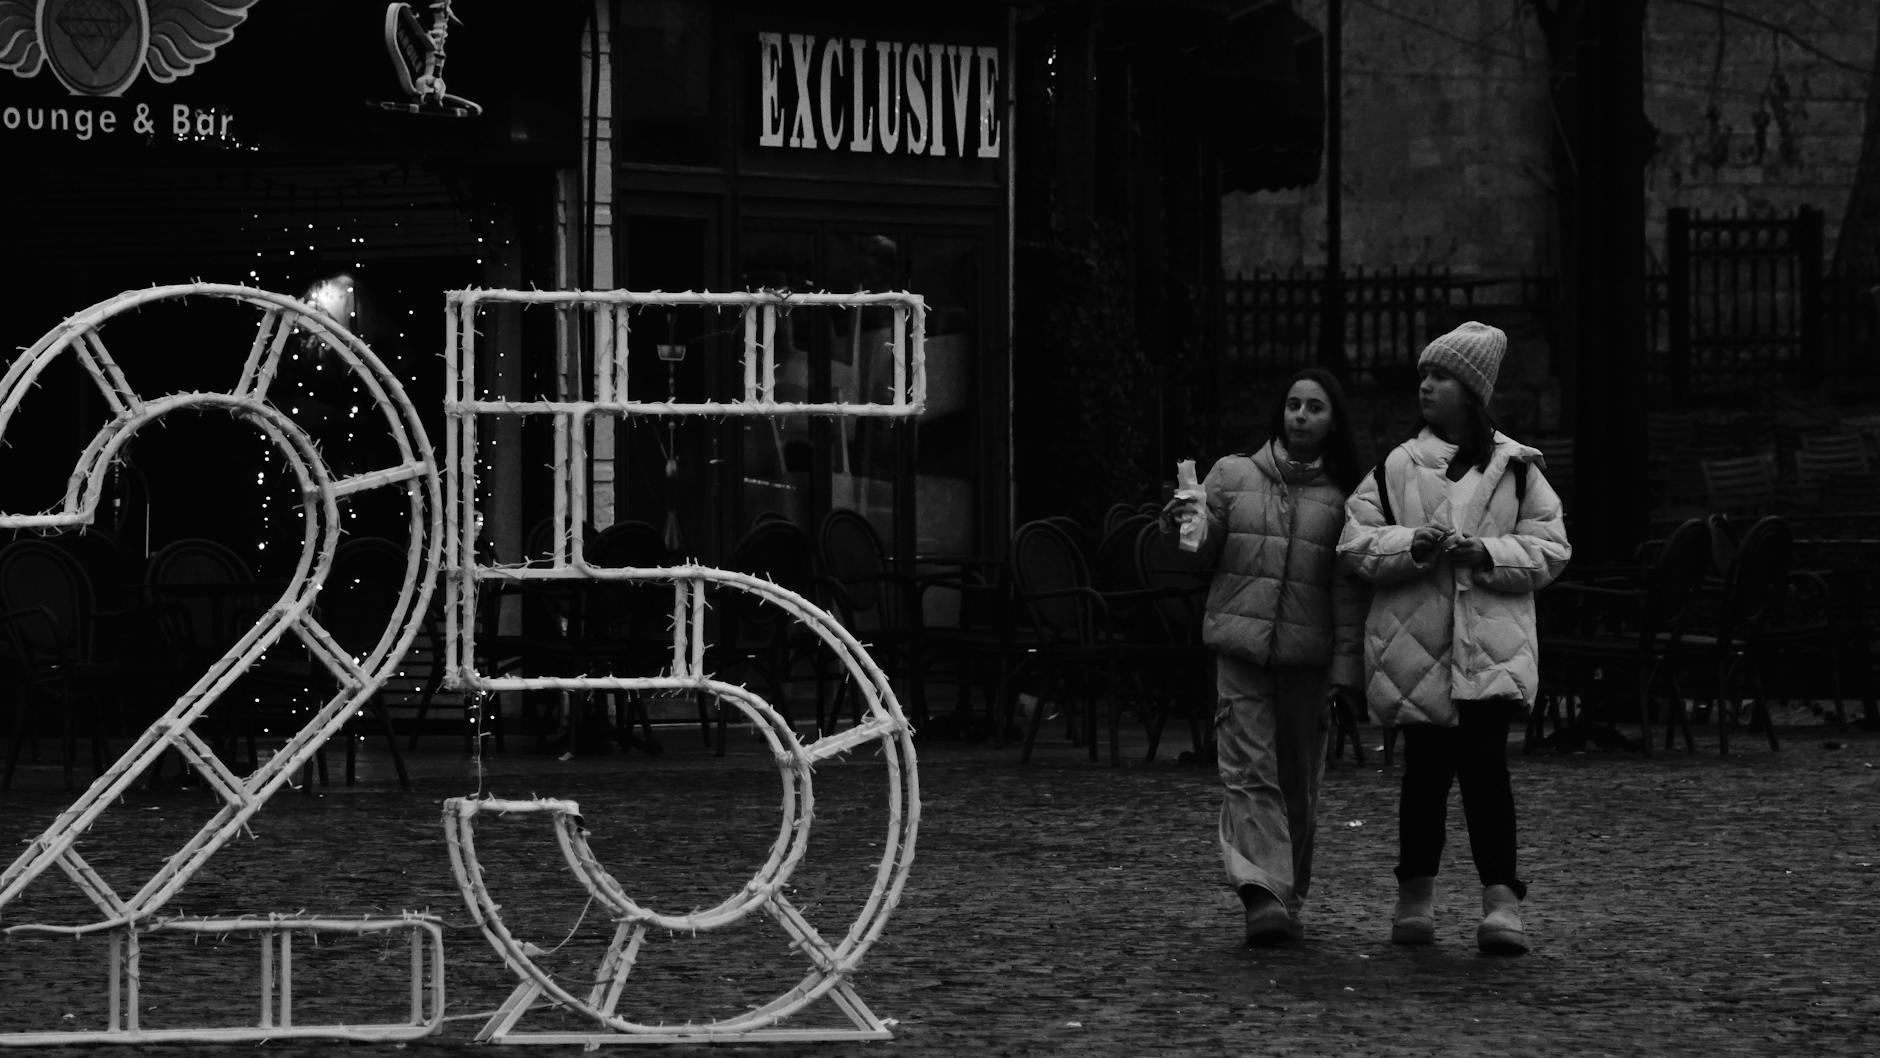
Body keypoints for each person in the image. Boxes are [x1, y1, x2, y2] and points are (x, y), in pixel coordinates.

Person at [1337, 321, 1571, 955]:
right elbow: (1355, 543)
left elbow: (1551, 550)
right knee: (1425, 779)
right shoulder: (1396, 467)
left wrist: (1486, 552)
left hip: (1488, 650)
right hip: (1417, 652)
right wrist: (1410, 544)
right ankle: (1414, 895)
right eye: (1423, 376)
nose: (1426, 386)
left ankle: (1501, 902)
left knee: (1488, 777)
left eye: (1439, 376)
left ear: (1470, 389)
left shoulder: (1519, 469)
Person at [1163, 367, 1366, 947]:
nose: (1300, 415)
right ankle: (1262, 893)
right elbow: (1200, 549)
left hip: (1309, 658)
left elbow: (1347, 590)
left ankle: (1286, 891)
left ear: (1333, 421)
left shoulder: (1345, 496)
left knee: (1298, 781)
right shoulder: (1232, 475)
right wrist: (1184, 523)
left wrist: (1347, 671)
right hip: (1241, 649)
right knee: (1250, 774)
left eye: (1315, 408)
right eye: (1293, 405)